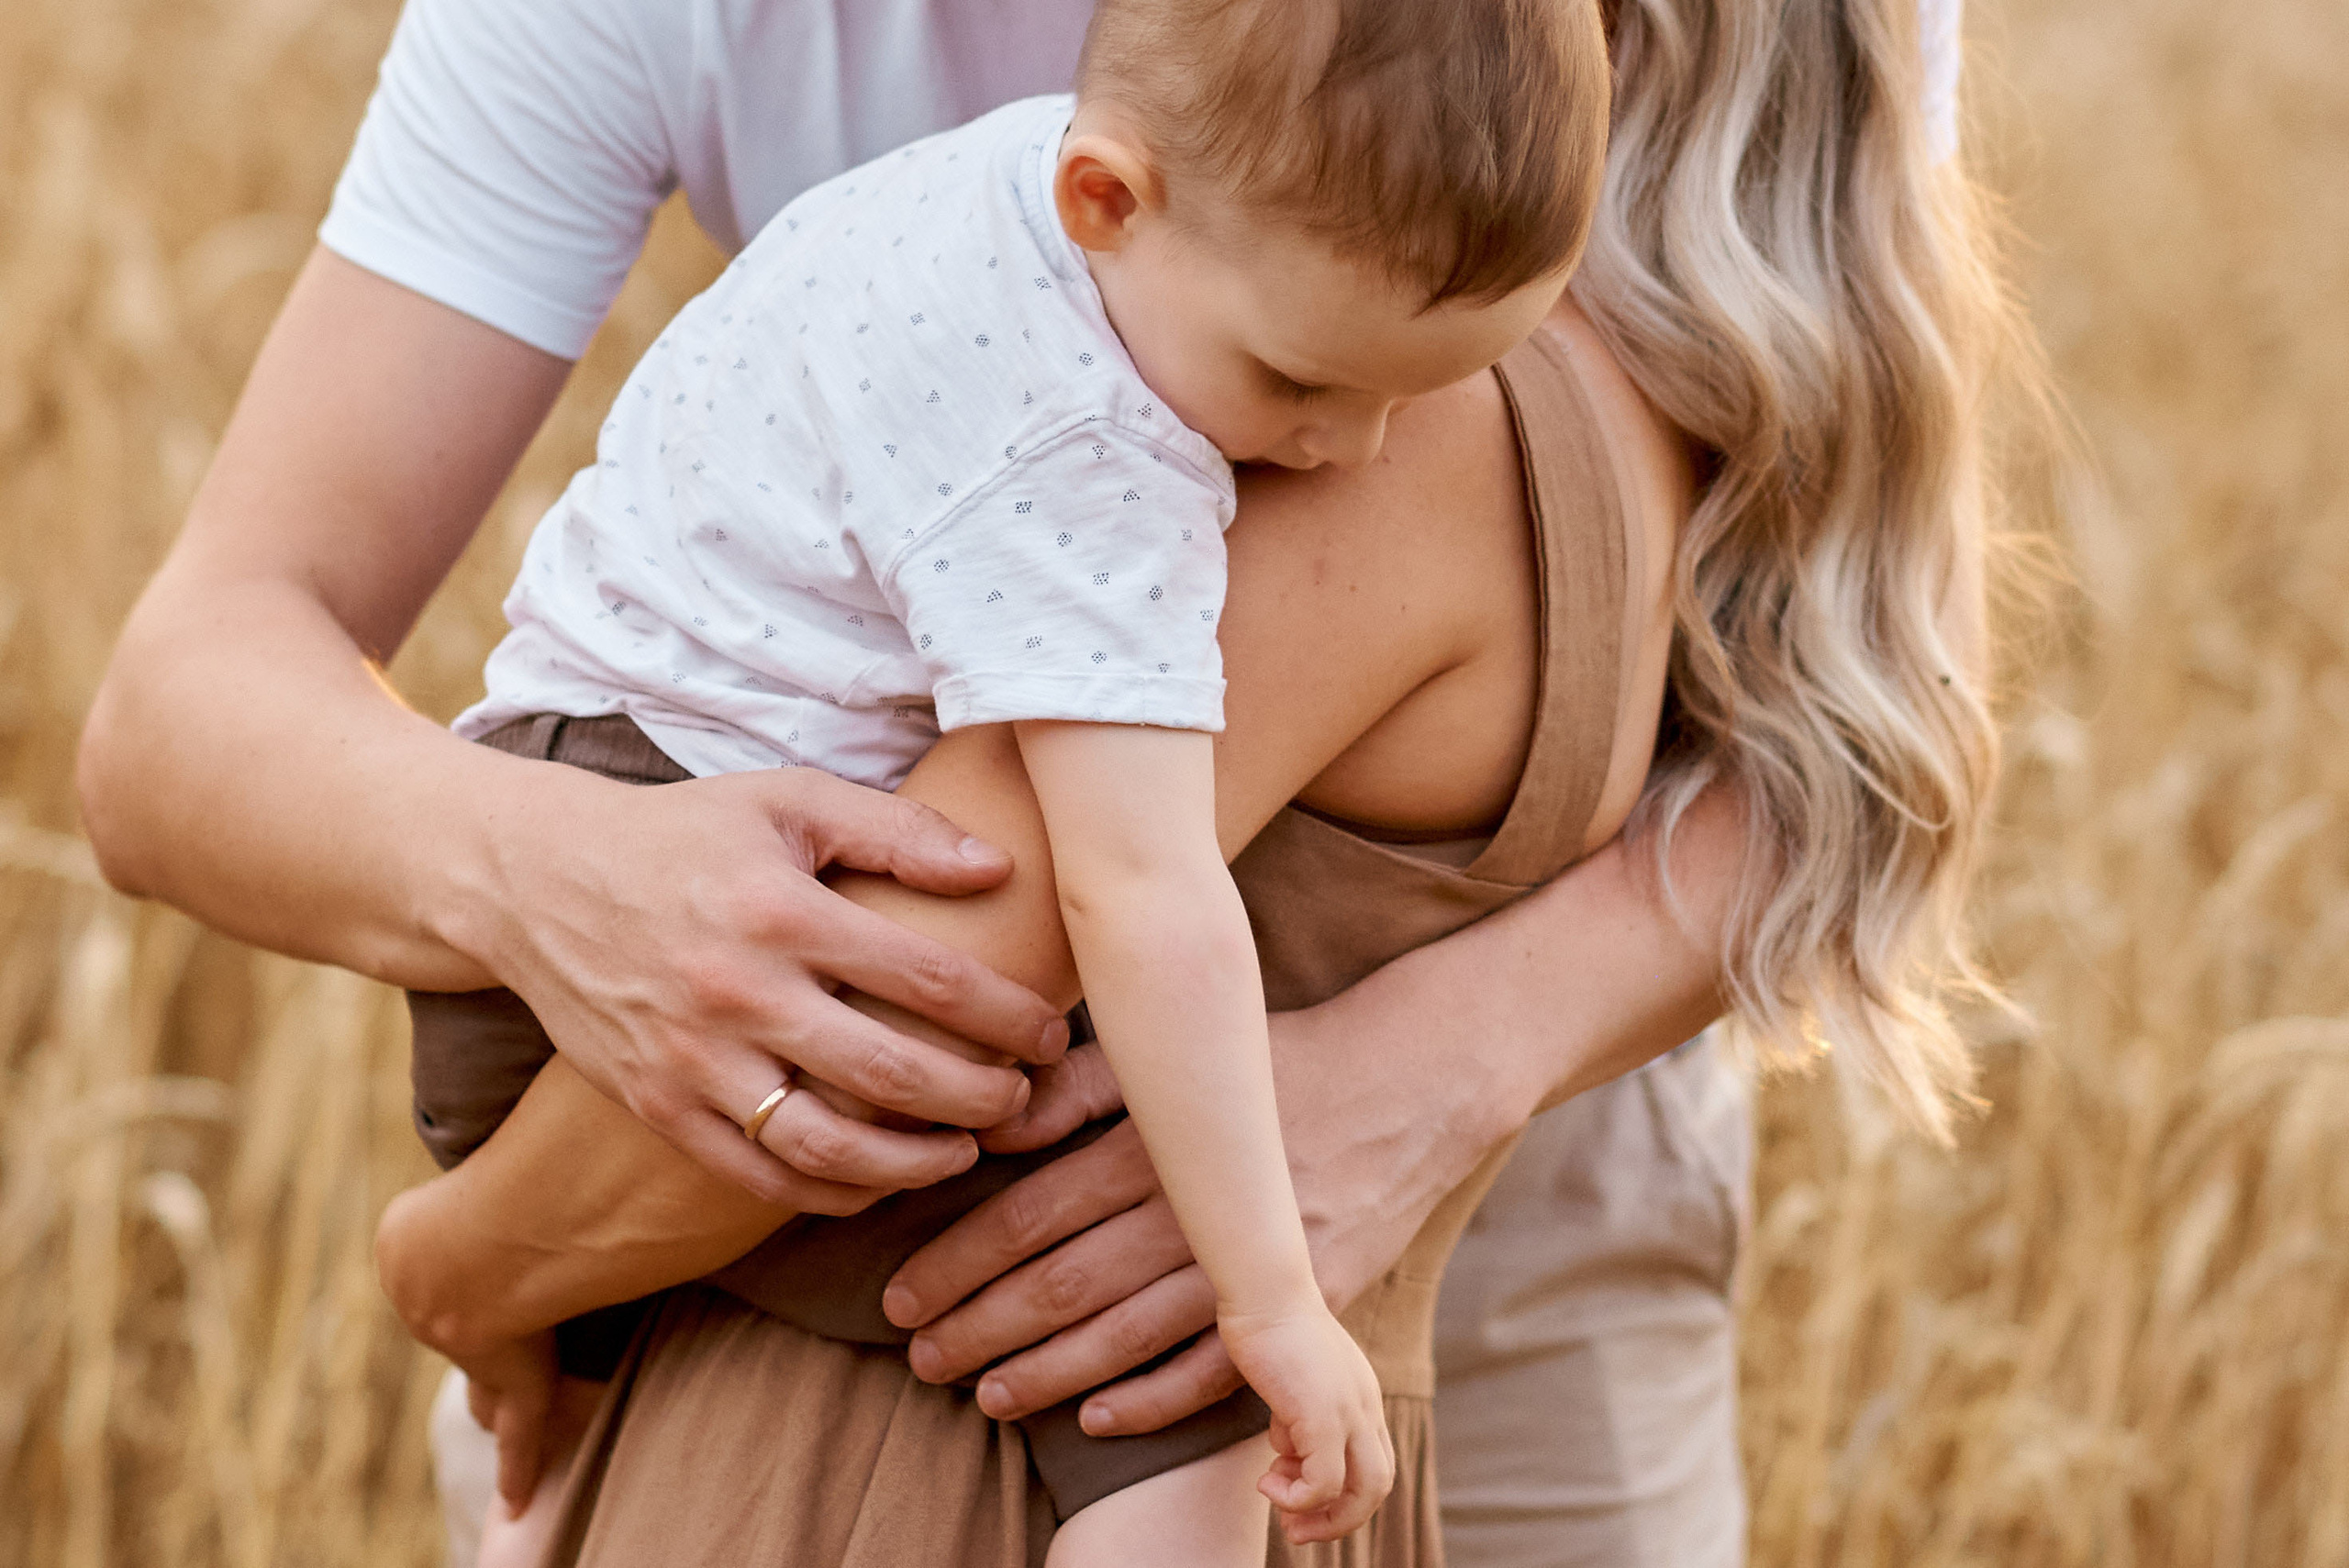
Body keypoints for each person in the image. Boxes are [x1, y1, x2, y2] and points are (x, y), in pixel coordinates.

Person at [76, 0, 2008, 1562]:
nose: (1348, 451)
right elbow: (176, 720)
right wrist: (537, 868)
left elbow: (1865, 701)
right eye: (1301, 392)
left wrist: (1454, 1056)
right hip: (736, 1150)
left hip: (1493, 1171)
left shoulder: (1580, 106)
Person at [396, 0, 1610, 1556]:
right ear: (1106, 199)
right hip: (646, 899)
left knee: (608, 1363)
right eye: (1306, 382)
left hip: (565, 842)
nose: (1357, 452)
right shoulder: (1076, 437)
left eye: (1414, 396)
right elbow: (1141, 887)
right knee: (1188, 1393)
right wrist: (1278, 1301)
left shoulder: (1048, 211)